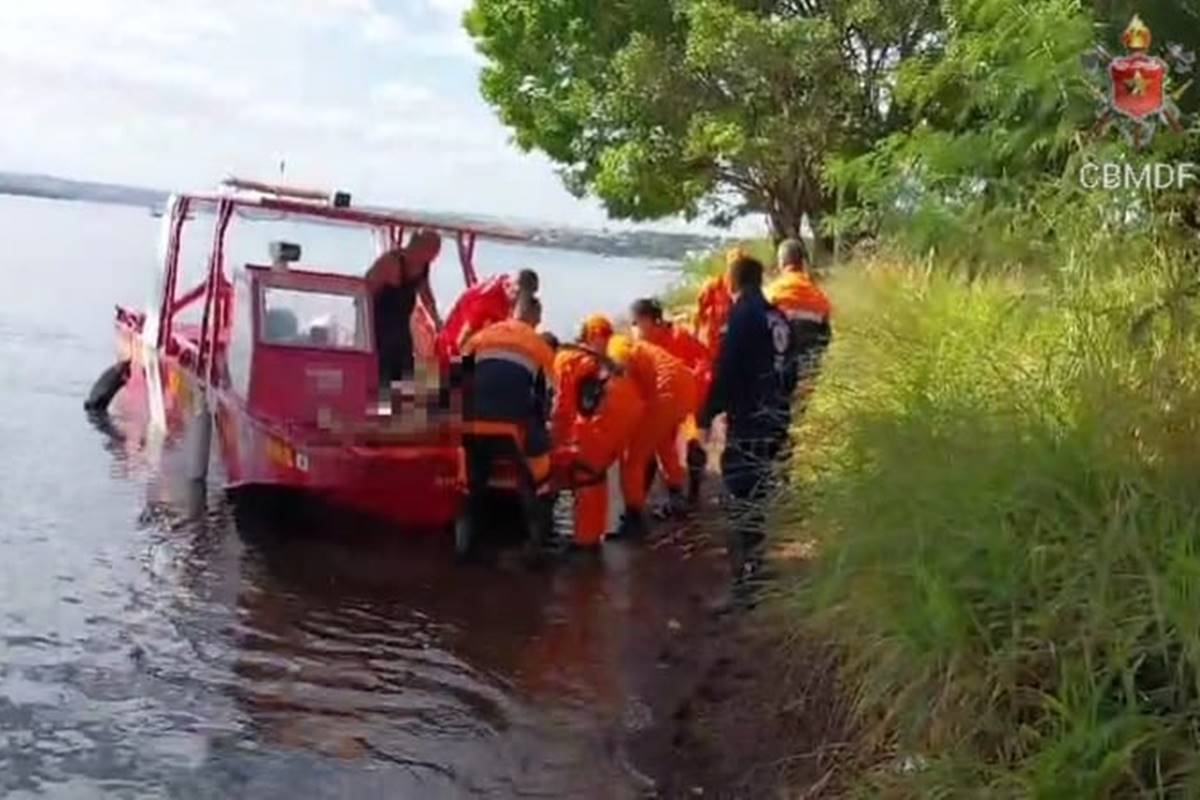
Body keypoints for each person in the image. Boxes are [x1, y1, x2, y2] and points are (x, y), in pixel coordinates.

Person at [699, 255, 797, 609]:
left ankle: (744, 585)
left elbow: (726, 370)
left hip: (750, 420)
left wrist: (707, 414)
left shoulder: (742, 316)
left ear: (732, 282)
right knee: (757, 492)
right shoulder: (778, 317)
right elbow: (792, 370)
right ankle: (756, 570)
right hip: (776, 418)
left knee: (740, 496)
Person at [584, 327, 696, 539]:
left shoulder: (615, 344)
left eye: (588, 341)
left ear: (596, 336)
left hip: (666, 390)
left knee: (632, 458)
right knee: (662, 442)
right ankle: (677, 497)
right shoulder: (633, 343)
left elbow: (620, 373)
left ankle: (634, 519)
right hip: (685, 385)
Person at [551, 327, 645, 550]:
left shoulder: (563, 360)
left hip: (611, 410)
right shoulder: (585, 357)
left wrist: (556, 443)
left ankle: (586, 542)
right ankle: (593, 534)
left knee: (586, 470)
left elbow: (563, 408)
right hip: (628, 408)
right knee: (596, 471)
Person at [461, 295, 557, 481]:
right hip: (511, 432)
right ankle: (536, 493)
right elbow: (546, 402)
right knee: (540, 465)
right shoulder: (540, 347)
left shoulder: (481, 336)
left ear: (511, 312)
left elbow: (457, 381)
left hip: (470, 427)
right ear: (537, 319)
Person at [630, 298, 712, 506]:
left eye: (636, 323)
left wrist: (694, 389)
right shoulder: (643, 344)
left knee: (691, 443)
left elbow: (704, 361)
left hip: (687, 401)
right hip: (664, 402)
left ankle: (691, 490)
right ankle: (673, 490)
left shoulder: (678, 336)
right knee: (662, 445)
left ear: (652, 321)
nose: (634, 328)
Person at [367, 229, 442, 385]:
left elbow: (427, 297)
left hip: (401, 327)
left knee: (405, 370)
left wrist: (438, 322)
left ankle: (402, 404)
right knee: (383, 370)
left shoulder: (423, 267)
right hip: (379, 325)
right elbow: (365, 292)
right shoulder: (389, 263)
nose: (436, 255)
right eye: (434, 249)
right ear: (421, 247)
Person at [765, 238, 832, 397]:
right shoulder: (819, 297)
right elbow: (826, 336)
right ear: (803, 263)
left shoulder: (772, 292)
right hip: (807, 369)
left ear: (781, 263)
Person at [436, 269, 540, 361]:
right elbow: (463, 341)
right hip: (451, 348)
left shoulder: (506, 282)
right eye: (522, 298)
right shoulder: (487, 301)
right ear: (514, 290)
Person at [693, 247, 742, 360]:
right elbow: (698, 312)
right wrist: (695, 339)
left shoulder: (746, 290)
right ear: (728, 266)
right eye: (734, 266)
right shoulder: (714, 286)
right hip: (713, 344)